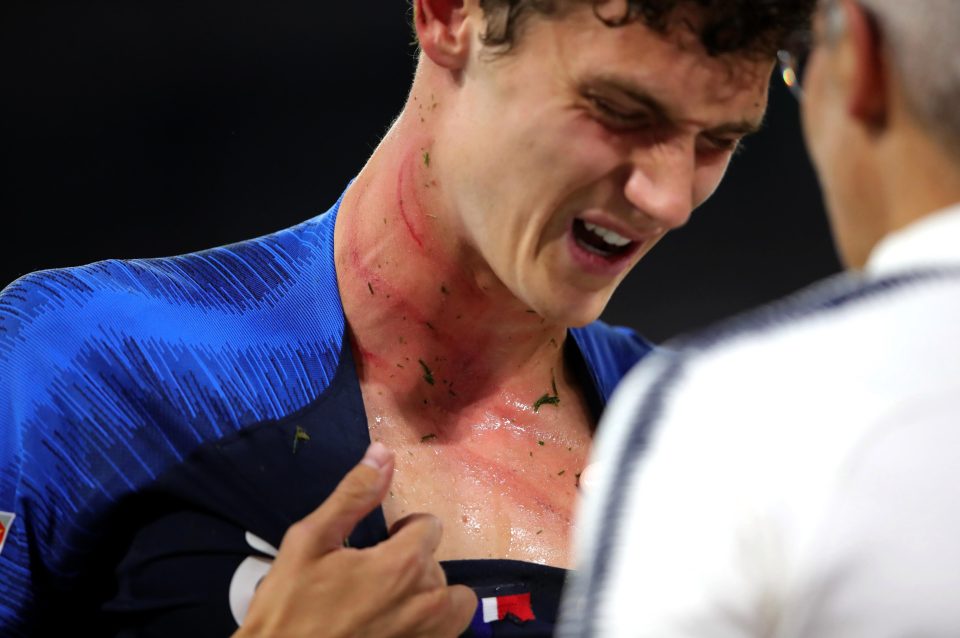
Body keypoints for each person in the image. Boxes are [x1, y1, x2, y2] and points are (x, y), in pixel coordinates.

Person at [0, 0, 812, 635]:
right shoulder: (84, 365)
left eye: (717, 142)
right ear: (450, 15)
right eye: (620, 110)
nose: (670, 199)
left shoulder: (708, 451)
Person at [560, 0, 960, 636]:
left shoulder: (732, 413)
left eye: (802, 60)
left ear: (856, 54)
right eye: (620, 112)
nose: (670, 203)